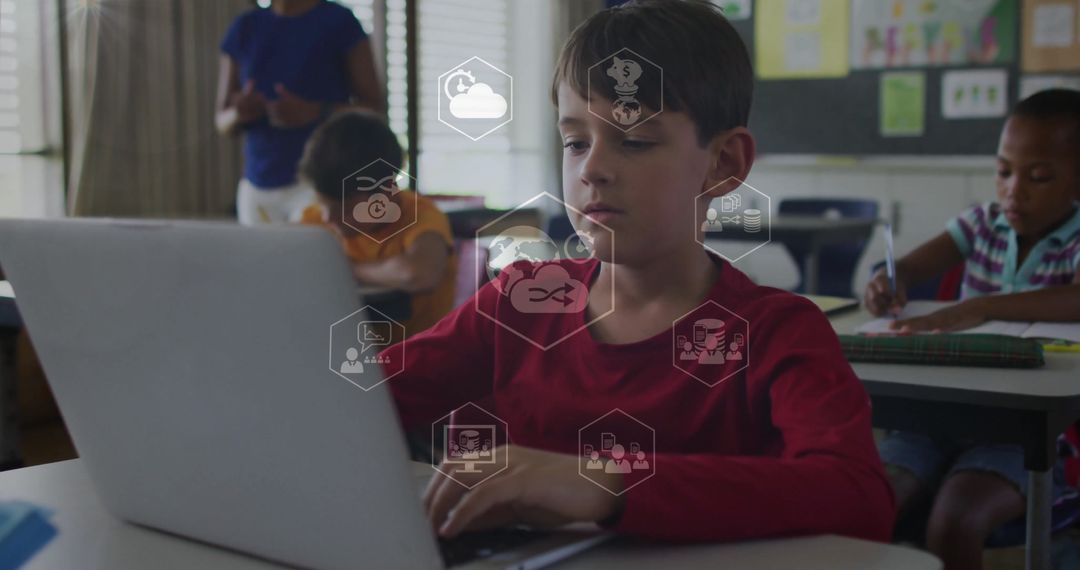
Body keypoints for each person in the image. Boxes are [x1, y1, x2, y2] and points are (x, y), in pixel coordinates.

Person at [381, 0, 893, 544]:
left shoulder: (776, 332)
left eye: (635, 141)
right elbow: (355, 402)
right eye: (575, 141)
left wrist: (609, 482)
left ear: (723, 164)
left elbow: (857, 497)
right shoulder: (518, 303)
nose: (592, 169)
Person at [866, 89, 1080, 569]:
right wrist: (886, 281)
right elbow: (906, 267)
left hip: (1022, 432)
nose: (1013, 191)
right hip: (937, 416)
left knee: (955, 522)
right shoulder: (982, 224)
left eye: (1039, 177)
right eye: (1003, 171)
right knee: (869, 503)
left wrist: (981, 306)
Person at [216, 0, 384, 225]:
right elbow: (221, 121)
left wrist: (316, 111)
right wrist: (240, 113)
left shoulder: (339, 22)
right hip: (256, 187)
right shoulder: (245, 27)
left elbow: (374, 108)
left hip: (318, 186)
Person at [298, 111, 457, 336]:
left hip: (412, 360)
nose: (327, 218)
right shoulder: (315, 220)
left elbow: (418, 273)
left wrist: (347, 268)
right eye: (323, 205)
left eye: (342, 208)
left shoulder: (421, 216)